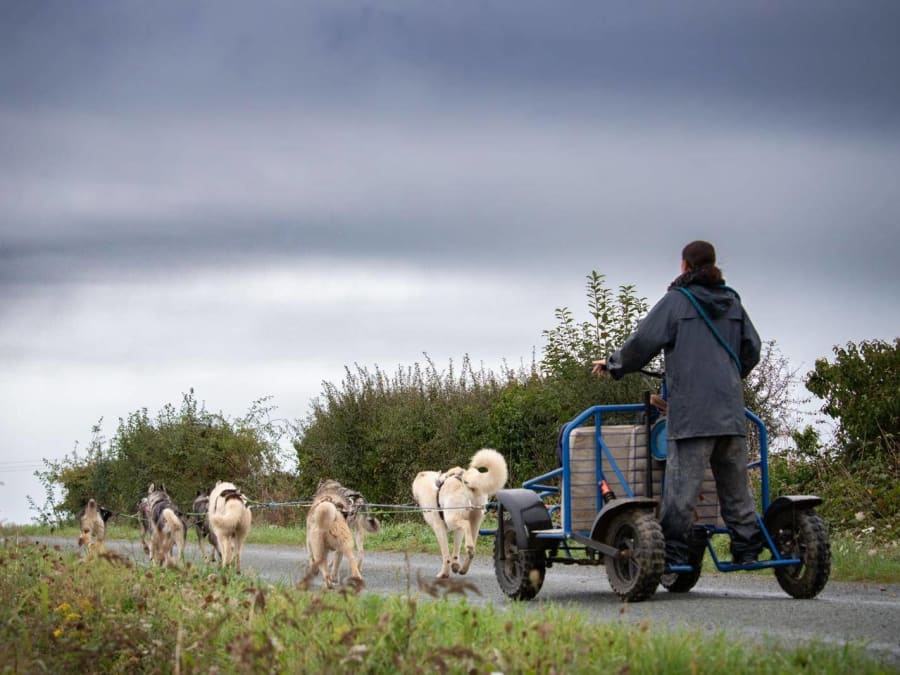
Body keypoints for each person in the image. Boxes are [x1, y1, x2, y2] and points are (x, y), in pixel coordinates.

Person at [592, 240, 764, 567]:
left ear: (684, 266)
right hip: (730, 412)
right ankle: (747, 549)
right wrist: (726, 378)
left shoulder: (677, 302)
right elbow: (752, 349)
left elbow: (642, 342)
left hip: (692, 416)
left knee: (680, 493)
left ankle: (672, 554)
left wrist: (613, 364)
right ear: (713, 265)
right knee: (736, 489)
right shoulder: (733, 302)